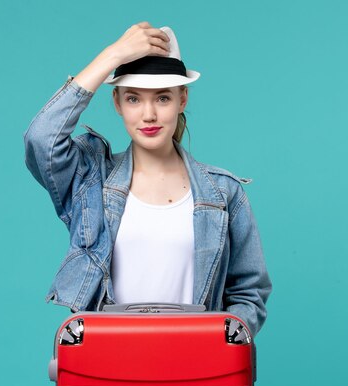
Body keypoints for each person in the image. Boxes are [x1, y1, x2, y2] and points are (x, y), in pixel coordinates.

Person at [23, 22, 272, 337]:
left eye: (163, 98)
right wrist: (112, 56)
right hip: (110, 370)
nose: (149, 114)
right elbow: (41, 140)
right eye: (133, 99)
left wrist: (219, 343)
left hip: (196, 371)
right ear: (117, 103)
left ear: (183, 100)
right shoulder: (91, 181)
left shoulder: (224, 194)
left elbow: (249, 291)